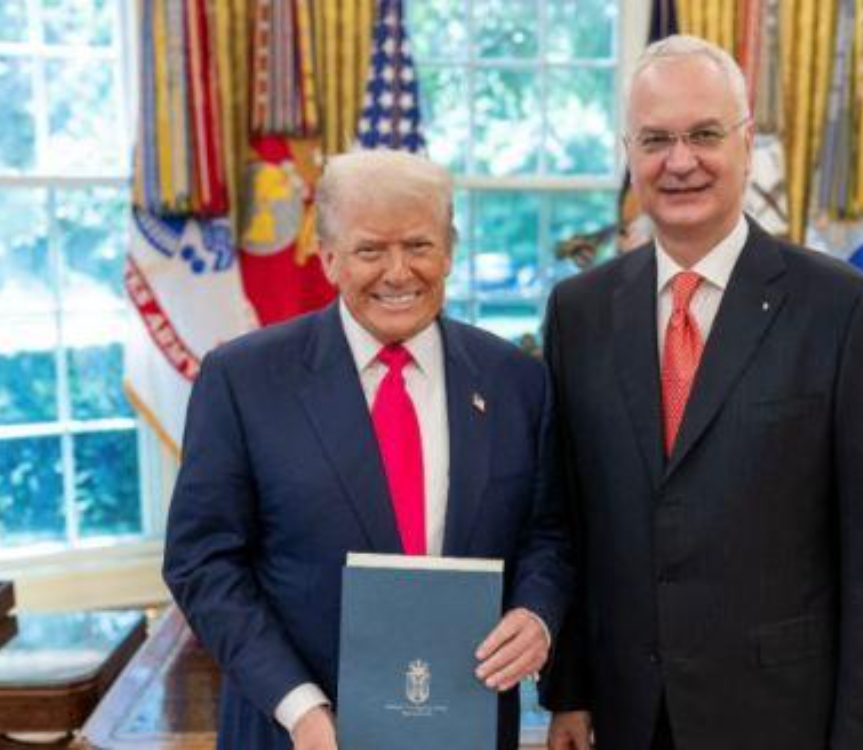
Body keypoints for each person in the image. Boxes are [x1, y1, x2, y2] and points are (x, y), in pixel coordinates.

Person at [541, 35, 863, 750]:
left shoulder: (845, 311)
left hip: (782, 719)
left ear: (746, 144)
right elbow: (572, 519)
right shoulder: (579, 311)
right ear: (629, 153)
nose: (680, 161)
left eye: (705, 134)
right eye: (656, 139)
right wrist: (570, 691)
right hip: (626, 717)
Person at [164, 149, 572, 750]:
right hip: (297, 732)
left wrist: (537, 615)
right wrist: (298, 706)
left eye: (419, 245)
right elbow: (202, 562)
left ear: (449, 252)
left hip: (467, 725)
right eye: (371, 250)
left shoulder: (517, 381)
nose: (399, 272)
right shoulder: (243, 380)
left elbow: (549, 535)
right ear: (329, 258)